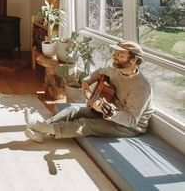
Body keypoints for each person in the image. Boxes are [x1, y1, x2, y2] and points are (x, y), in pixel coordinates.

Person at [25, 40, 154, 143]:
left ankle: (39, 127)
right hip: (112, 110)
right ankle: (41, 132)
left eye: (120, 55)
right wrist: (87, 81)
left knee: (86, 124)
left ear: (134, 60)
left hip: (128, 127)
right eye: (115, 53)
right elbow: (99, 72)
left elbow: (131, 120)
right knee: (73, 110)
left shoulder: (140, 88)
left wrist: (107, 112)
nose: (114, 57)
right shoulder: (116, 70)